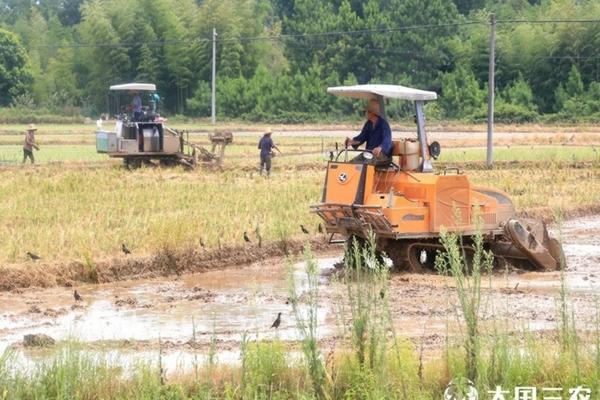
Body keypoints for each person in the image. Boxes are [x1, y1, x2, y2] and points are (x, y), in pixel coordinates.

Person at [345, 98, 392, 164]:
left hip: (382, 156)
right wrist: (352, 142)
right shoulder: (368, 124)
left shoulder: (384, 125)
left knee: (365, 164)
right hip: (369, 154)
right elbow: (361, 138)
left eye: (366, 111)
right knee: (351, 164)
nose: (365, 113)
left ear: (372, 113)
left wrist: (380, 148)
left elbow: (387, 140)